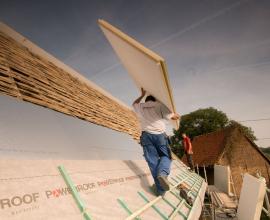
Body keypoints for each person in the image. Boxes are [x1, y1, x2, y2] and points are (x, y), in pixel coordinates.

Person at [133, 88, 180, 196]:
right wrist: (177, 115)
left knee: (152, 162)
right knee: (166, 156)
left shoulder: (141, 106)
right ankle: (162, 173)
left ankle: (160, 190)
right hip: (159, 136)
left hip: (146, 136)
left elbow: (134, 103)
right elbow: (173, 117)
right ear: (155, 100)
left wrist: (142, 94)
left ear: (146, 101)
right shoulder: (159, 105)